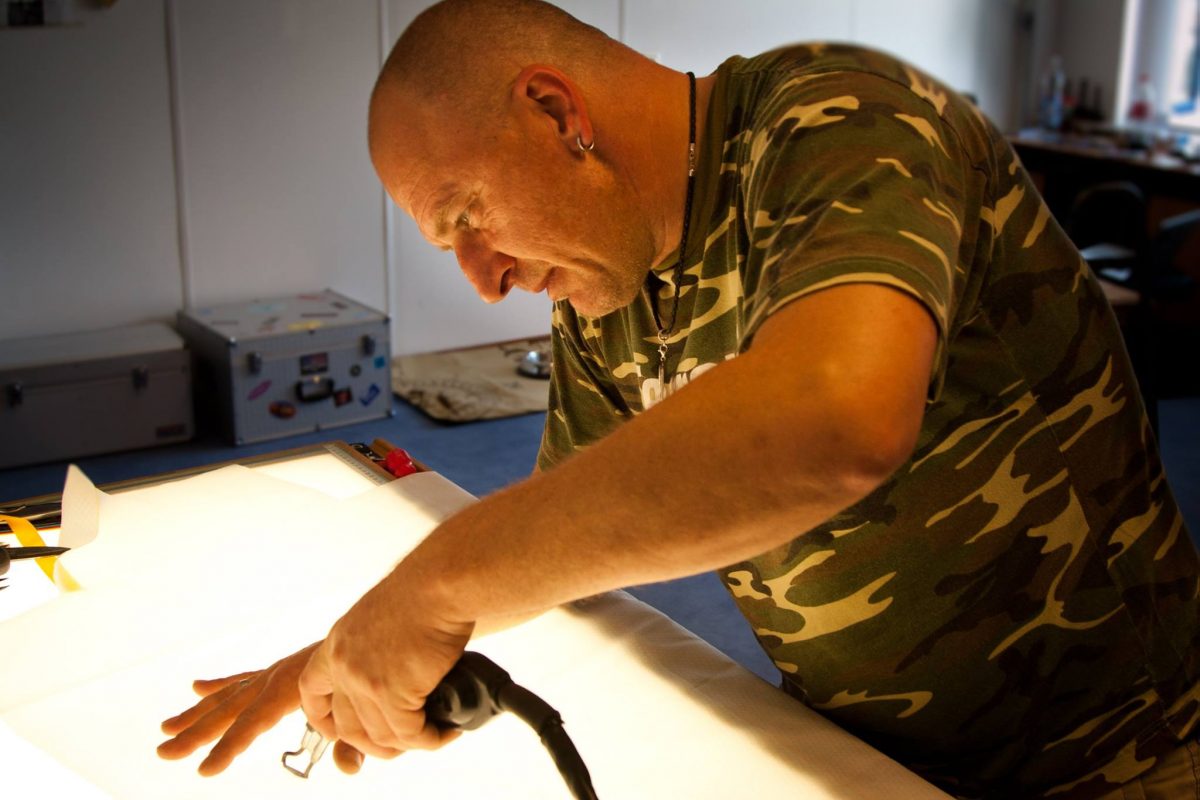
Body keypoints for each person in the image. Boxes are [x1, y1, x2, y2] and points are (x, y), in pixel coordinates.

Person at [156, 1, 1200, 797]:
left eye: (470, 213)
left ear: (558, 112)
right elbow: (562, 537)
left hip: (1122, 755)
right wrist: (354, 646)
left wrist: (434, 583)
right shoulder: (608, 291)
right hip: (874, 760)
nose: (481, 277)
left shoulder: (844, 123)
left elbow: (836, 421)